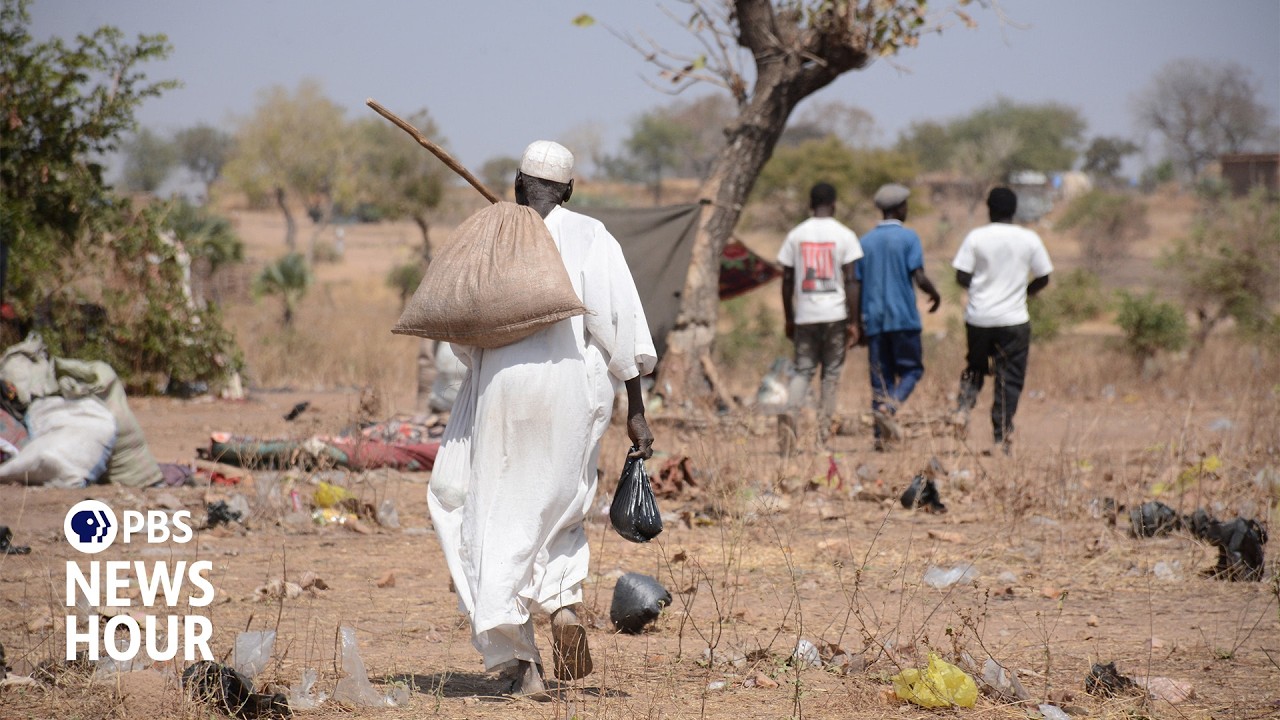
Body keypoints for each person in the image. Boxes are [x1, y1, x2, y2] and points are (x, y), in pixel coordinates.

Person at [427, 141, 657, 695]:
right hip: (575, 390)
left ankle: (518, 657)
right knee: (561, 504)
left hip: (504, 388)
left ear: (517, 184)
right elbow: (619, 328)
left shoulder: (491, 234)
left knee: (482, 508)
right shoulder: (592, 235)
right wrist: (637, 412)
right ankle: (561, 600)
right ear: (569, 190)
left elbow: (462, 330)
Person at [950, 186, 1053, 454]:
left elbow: (961, 275)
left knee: (975, 366)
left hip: (979, 318)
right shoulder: (1029, 239)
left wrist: (981, 288)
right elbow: (1044, 276)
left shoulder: (976, 237)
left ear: (989, 208)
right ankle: (1001, 434)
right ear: (1014, 209)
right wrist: (1025, 292)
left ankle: (963, 408)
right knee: (1010, 377)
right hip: (1014, 319)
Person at [853, 183, 941, 450]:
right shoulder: (909, 238)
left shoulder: (864, 242)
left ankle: (881, 439)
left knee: (881, 378)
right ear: (900, 208)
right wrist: (934, 293)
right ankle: (892, 406)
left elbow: (855, 285)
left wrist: (857, 322)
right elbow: (919, 275)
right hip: (903, 319)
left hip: (875, 320)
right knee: (913, 369)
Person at [777, 182, 863, 447]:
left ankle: (789, 416)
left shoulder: (796, 235)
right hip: (835, 314)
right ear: (834, 205)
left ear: (810, 205)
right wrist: (854, 321)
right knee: (831, 376)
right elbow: (851, 281)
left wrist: (789, 317)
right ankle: (822, 436)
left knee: (803, 372)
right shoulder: (845, 234)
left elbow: (787, 280)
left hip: (805, 314)